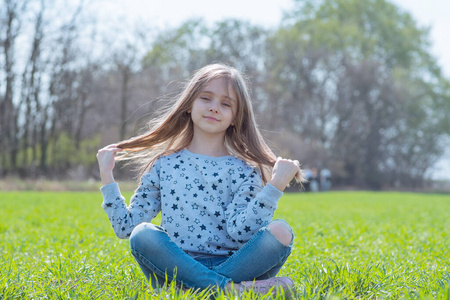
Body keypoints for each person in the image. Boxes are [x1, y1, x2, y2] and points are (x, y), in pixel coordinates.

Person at [96, 64, 303, 297]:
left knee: (281, 231)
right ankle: (231, 291)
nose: (215, 108)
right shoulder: (164, 164)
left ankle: (195, 290)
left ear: (236, 117)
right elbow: (127, 227)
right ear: (189, 105)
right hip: (177, 266)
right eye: (206, 98)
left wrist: (275, 187)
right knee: (142, 234)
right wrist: (107, 175)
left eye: (226, 104)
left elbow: (241, 232)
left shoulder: (245, 170)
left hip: (236, 265)